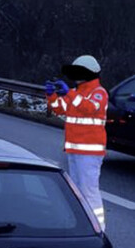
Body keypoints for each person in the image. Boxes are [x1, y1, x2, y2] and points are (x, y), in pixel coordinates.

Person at [46, 55, 109, 229]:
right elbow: (60, 109)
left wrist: (70, 93)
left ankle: (98, 228)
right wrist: (51, 96)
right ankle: (81, 224)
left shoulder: (99, 93)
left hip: (90, 152)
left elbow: (89, 108)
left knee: (89, 191)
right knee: (76, 191)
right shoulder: (77, 93)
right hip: (74, 150)